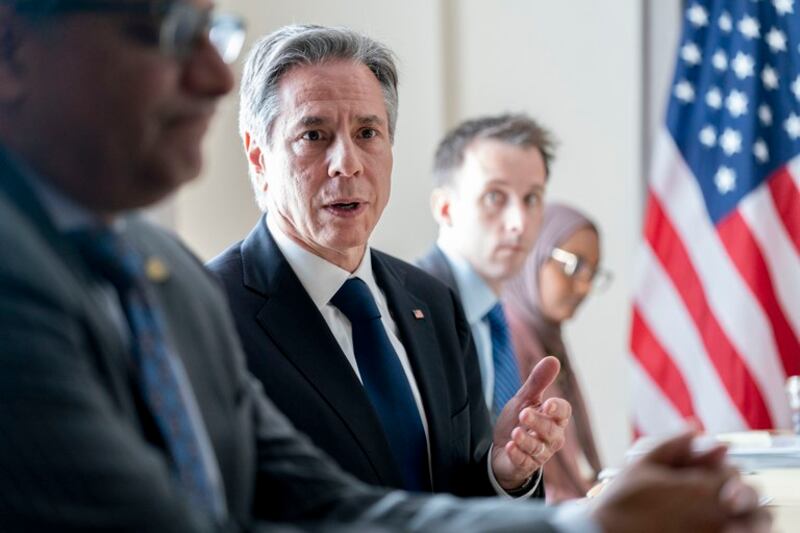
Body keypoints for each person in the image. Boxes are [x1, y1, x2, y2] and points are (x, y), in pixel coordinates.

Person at [0, 1, 770, 532]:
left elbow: (329, 504)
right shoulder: (181, 291)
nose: (210, 75)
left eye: (370, 132)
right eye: (165, 30)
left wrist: (579, 514)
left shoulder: (160, 274)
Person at [208, 25, 566, 498]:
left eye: (367, 133)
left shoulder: (434, 302)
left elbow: (455, 501)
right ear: (259, 157)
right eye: (314, 135)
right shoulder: (210, 310)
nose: (347, 163)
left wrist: (503, 473)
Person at [417, 113, 552, 419]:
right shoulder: (409, 309)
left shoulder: (500, 317)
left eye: (531, 198)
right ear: (445, 208)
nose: (519, 222)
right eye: (495, 196)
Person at [504, 203, 609, 503]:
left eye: (593, 271)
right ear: (534, 254)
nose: (586, 286)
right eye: (575, 265)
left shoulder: (548, 338)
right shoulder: (506, 340)